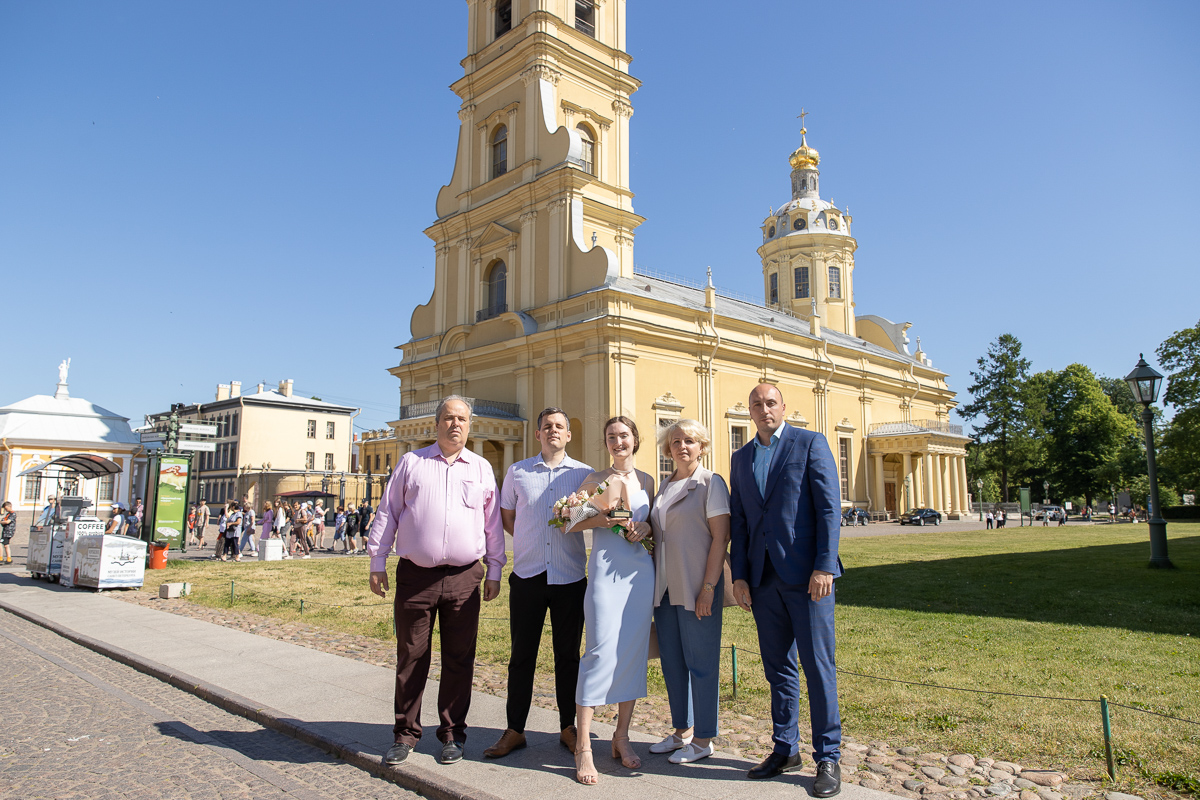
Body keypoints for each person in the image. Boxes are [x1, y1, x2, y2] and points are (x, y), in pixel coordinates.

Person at [367, 395, 505, 768]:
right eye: (448, 418)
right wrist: (377, 561)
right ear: (436, 424)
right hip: (416, 577)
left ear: (469, 425)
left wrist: (495, 569)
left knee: (460, 658)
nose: (454, 424)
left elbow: (492, 524)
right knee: (411, 656)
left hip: (464, 577)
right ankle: (405, 733)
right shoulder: (412, 463)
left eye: (461, 419)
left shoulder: (480, 468)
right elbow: (388, 512)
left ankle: (452, 735)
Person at [730, 384, 843, 798]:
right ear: (750, 411)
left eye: (770, 403)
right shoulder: (740, 458)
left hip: (808, 578)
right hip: (762, 581)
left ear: (783, 407)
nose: (764, 410)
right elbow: (740, 521)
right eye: (756, 404)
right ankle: (785, 748)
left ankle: (828, 755)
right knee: (777, 668)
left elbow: (829, 508)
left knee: (817, 667)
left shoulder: (810, 443)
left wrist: (824, 565)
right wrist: (739, 576)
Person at [483, 408, 593, 761]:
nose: (553, 431)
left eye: (560, 426)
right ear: (537, 434)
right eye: (547, 427)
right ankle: (515, 729)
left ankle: (568, 727)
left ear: (568, 434)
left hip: (570, 577)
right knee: (521, 657)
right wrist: (530, 539)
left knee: (568, 658)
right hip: (528, 576)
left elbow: (592, 516)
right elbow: (507, 516)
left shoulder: (583, 474)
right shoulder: (518, 472)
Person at [566, 415, 655, 785]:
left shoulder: (649, 480)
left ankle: (621, 736)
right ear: (605, 443)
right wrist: (605, 518)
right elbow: (569, 519)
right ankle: (584, 745)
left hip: (640, 575)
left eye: (623, 435)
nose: (617, 442)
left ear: (635, 439)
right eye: (610, 437)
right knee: (599, 652)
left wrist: (646, 527)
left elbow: (654, 525)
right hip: (605, 572)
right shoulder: (594, 479)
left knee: (632, 653)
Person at [648, 419, 730, 766]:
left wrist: (708, 588)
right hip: (664, 588)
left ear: (702, 447)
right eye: (676, 441)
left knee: (702, 664)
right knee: (673, 663)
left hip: (697, 585)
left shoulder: (711, 484)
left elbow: (720, 537)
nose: (682, 446)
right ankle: (681, 731)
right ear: (668, 449)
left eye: (690, 441)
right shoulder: (665, 486)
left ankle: (704, 738)